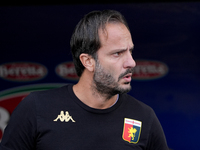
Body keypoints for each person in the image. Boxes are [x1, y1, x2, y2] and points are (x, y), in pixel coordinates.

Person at [0, 10, 169, 150]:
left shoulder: (144, 117)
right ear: (88, 61)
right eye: (117, 53)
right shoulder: (36, 108)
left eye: (130, 51)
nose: (131, 62)